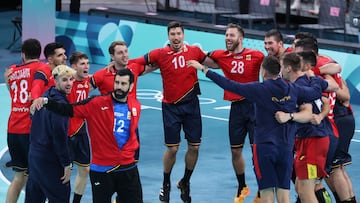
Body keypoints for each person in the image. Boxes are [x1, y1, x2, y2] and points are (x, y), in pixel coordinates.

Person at [188, 53, 328, 203]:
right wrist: (313, 77)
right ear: (279, 70)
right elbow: (316, 91)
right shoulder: (293, 89)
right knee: (284, 196)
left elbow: (229, 84)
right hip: (286, 148)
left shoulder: (258, 89)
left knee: (267, 194)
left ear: (264, 71)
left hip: (264, 148)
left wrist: (204, 69)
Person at [130, 20, 216, 203]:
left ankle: (185, 181)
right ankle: (166, 183)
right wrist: (120, 66)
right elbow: (138, 63)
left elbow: (212, 62)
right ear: (168, 36)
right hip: (170, 107)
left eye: (179, 34)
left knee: (194, 147)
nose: (176, 37)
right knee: (173, 149)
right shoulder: (160, 54)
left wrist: (230, 60)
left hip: (191, 104)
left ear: (183, 35)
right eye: (172, 34)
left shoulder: (194, 51)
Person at [31, 68, 143, 203]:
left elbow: (132, 135)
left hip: (128, 167)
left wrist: (133, 156)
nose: (119, 87)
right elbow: (69, 109)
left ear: (131, 86)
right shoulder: (96, 103)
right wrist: (47, 102)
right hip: (103, 169)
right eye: (117, 83)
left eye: (123, 84)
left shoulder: (135, 105)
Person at [207, 23, 264, 203]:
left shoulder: (256, 56)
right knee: (235, 151)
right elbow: (204, 58)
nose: (227, 38)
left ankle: (262, 190)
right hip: (236, 109)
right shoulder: (221, 55)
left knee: (258, 152)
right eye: (226, 35)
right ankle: (242, 186)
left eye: (231, 35)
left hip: (254, 108)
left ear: (240, 39)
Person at [275, 51, 336, 203]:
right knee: (300, 187)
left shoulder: (299, 87)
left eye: (281, 67)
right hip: (308, 139)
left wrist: (288, 116)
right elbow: (325, 101)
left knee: (306, 192)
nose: (280, 71)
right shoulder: (309, 80)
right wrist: (321, 115)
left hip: (313, 140)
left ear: (288, 68)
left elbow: (307, 115)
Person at [25, 65, 76, 203]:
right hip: (50, 161)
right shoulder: (59, 105)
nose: (69, 83)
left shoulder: (44, 96)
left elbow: (33, 120)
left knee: (33, 199)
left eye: (71, 79)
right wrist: (67, 164)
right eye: (65, 80)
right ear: (55, 81)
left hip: (34, 157)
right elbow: (59, 137)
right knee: (60, 198)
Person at [4, 38, 46, 203]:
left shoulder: (12, 70)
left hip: (13, 129)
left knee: (19, 177)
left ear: (23, 54)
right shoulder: (41, 69)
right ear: (40, 53)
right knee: (35, 178)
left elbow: (12, 92)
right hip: (30, 130)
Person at [68, 51, 91, 203]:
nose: (86, 66)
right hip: (66, 133)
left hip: (81, 130)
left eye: (87, 63)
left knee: (85, 169)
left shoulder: (88, 81)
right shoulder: (67, 82)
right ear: (73, 67)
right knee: (65, 172)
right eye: (82, 64)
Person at [331, 78, 357, 203]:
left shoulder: (320, 70)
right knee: (339, 167)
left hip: (338, 120)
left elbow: (345, 96)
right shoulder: (329, 65)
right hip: (345, 118)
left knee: (335, 168)